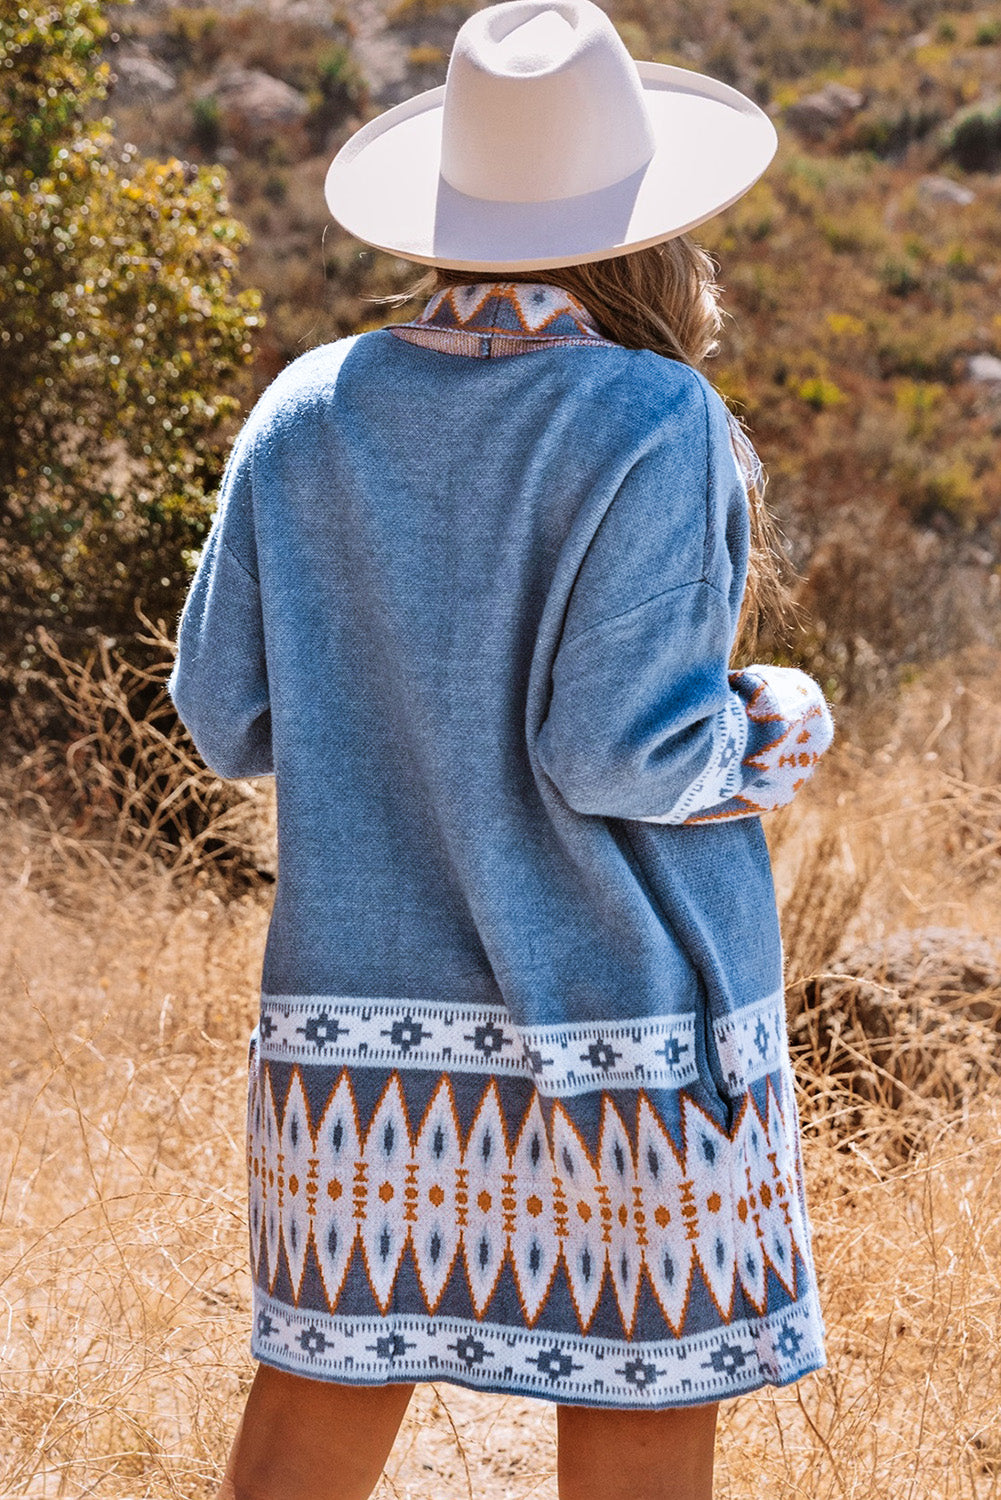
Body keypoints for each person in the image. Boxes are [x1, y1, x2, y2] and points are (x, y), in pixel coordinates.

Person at [168, 3, 835, 1497]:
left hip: (354, 1042)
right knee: (639, 1412)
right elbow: (619, 756)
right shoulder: (651, 415)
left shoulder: (305, 410)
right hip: (620, 1030)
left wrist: (389, 709)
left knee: (318, 1402)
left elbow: (226, 716)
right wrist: (775, 725)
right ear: (649, 226)